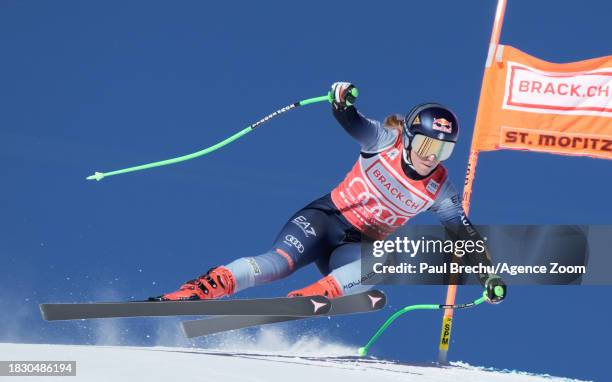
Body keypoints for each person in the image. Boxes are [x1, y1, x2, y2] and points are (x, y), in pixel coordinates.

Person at [150, 82, 506, 303]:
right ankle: (206, 287)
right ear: (411, 137)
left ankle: (320, 293)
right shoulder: (385, 142)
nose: (432, 156)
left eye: (443, 150)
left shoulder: (439, 188)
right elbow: (351, 120)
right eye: (428, 144)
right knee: (278, 264)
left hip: (354, 248)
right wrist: (341, 100)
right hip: (323, 220)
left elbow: (464, 234)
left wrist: (486, 274)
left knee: (386, 261)